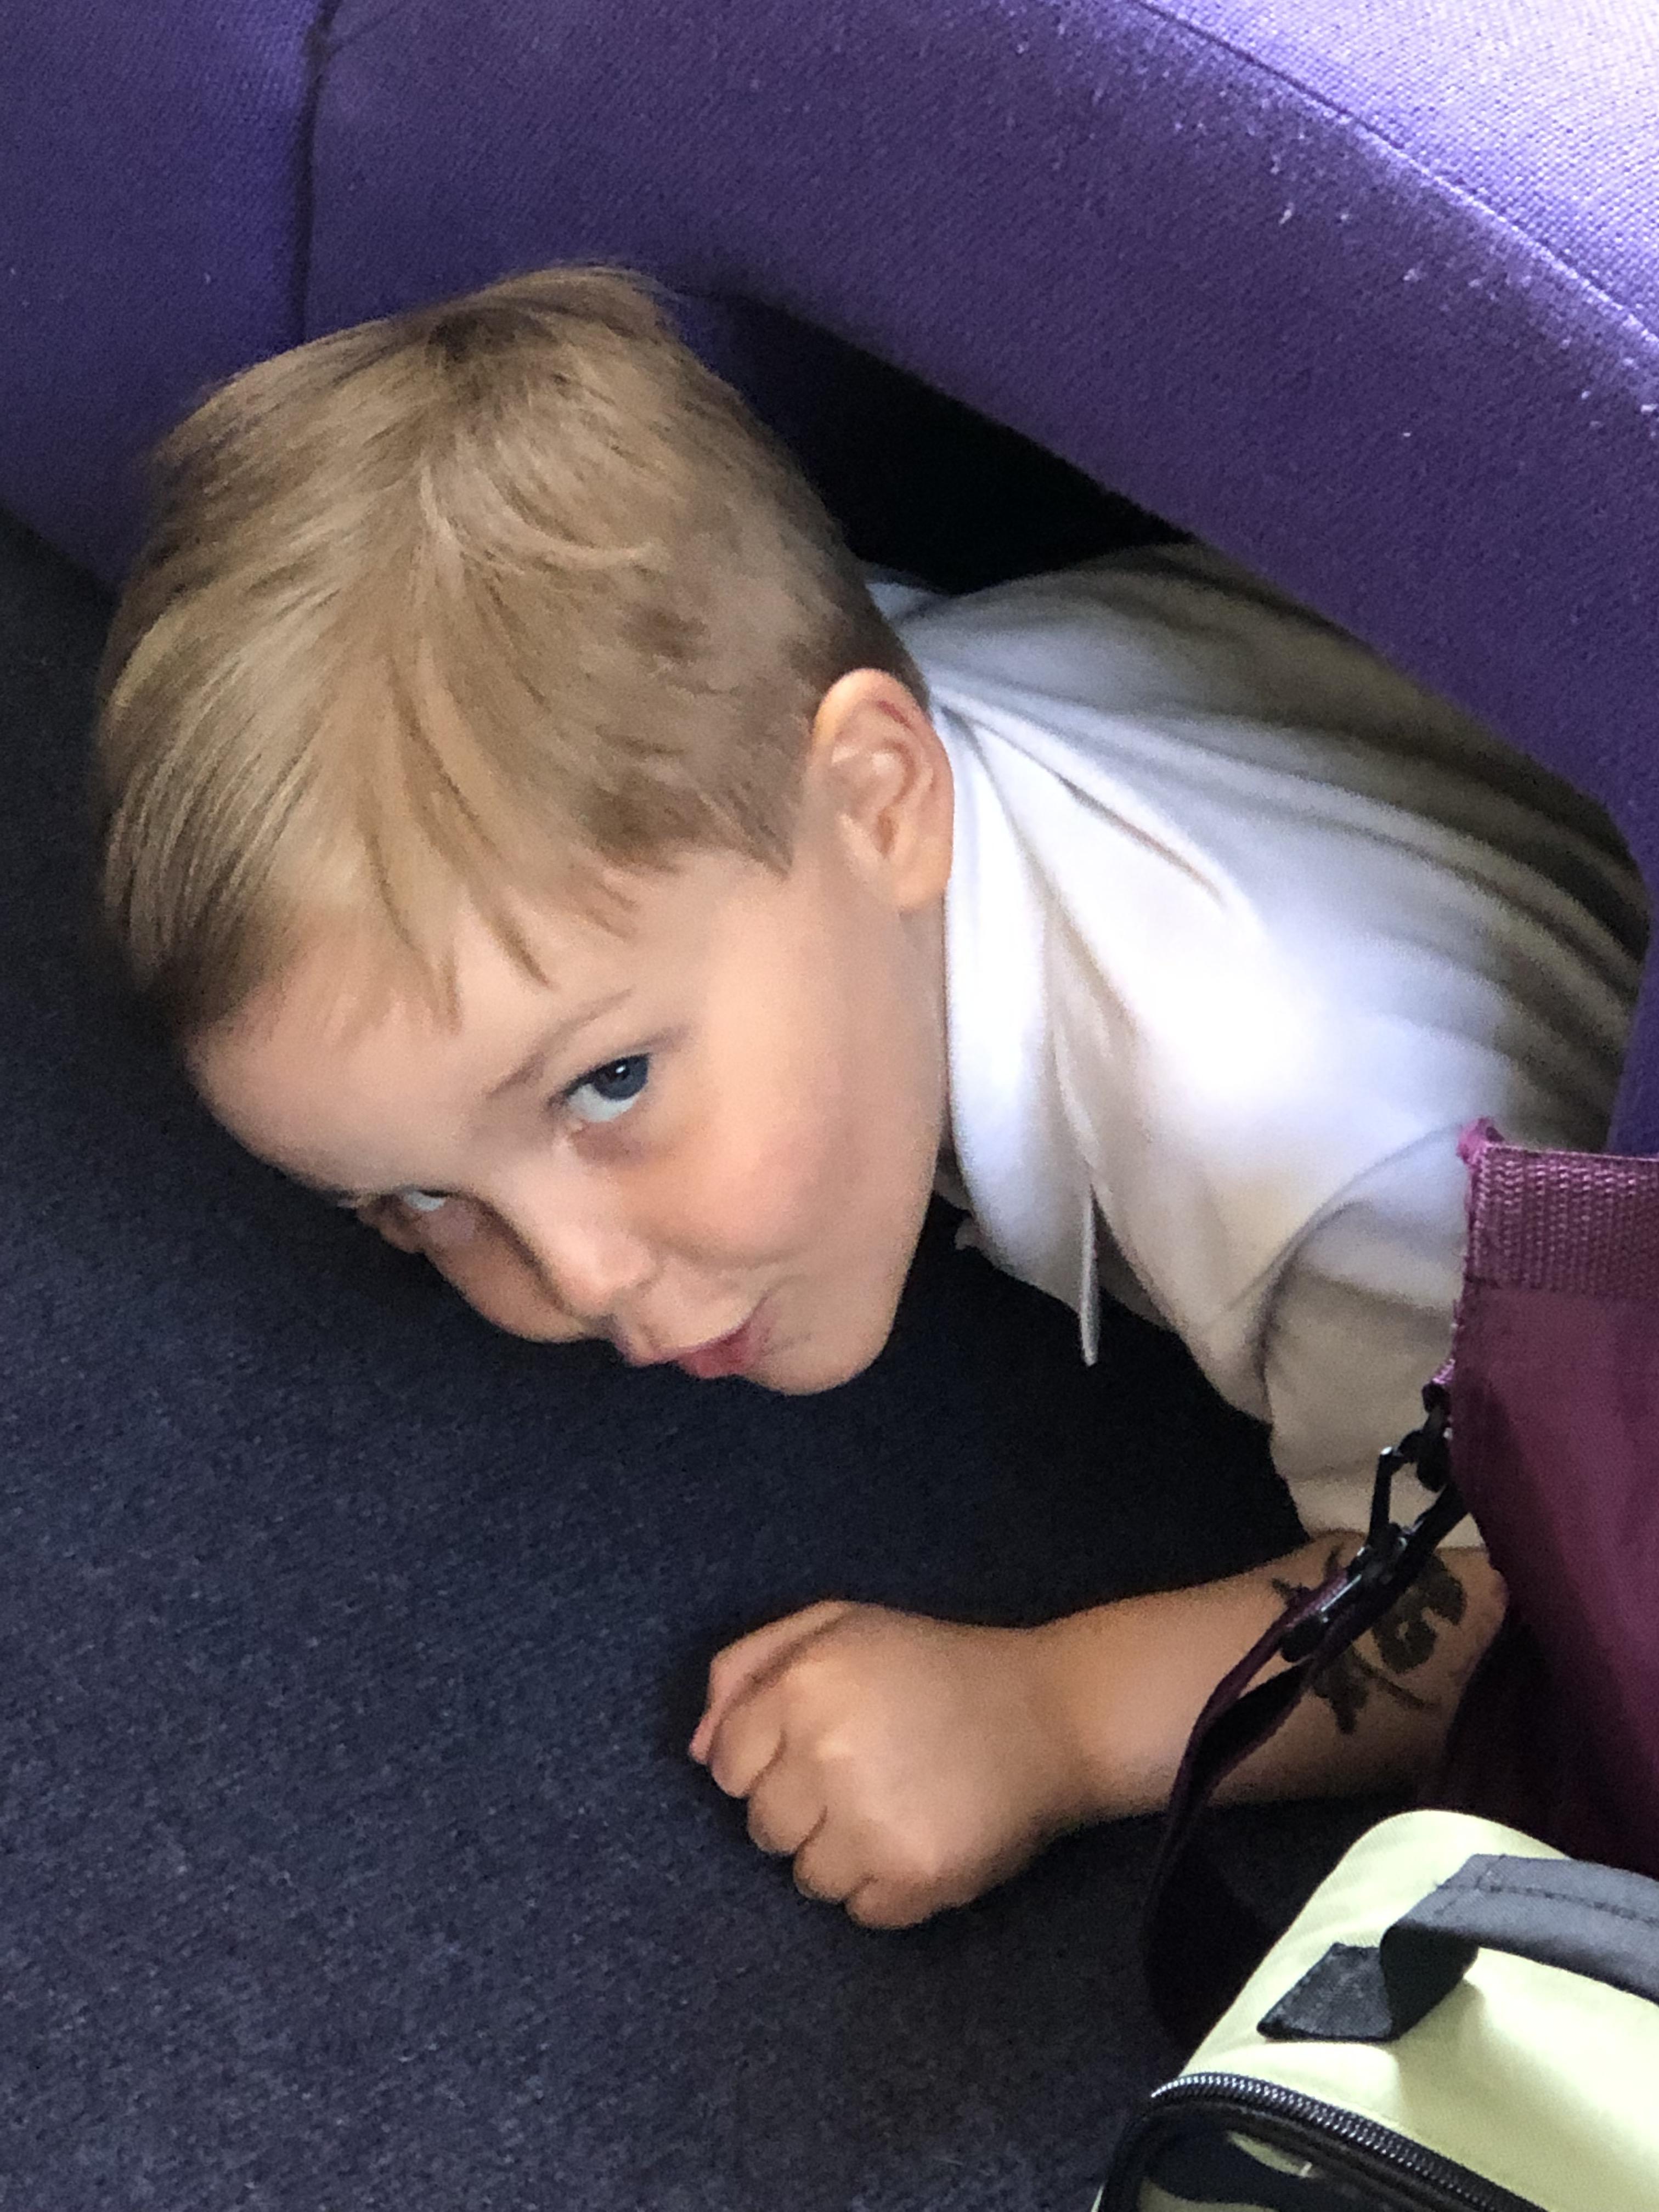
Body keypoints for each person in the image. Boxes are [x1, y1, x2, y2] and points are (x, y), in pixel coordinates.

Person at [95, 267, 1643, 1931]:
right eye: (417, 1199)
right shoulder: (776, 772)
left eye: (609, 1082)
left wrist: (1058, 1719)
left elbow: (1521, 1585)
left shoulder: (1285, 1146)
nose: (574, 1281)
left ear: (881, 803)